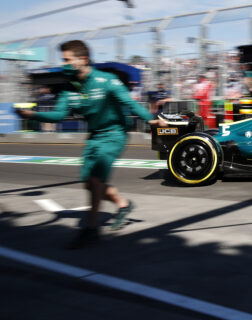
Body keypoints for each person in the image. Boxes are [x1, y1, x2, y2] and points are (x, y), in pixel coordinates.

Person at [15, 40, 167, 249]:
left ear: (83, 60)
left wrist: (150, 119)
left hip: (115, 134)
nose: (64, 64)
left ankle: (91, 230)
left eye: (67, 60)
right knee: (89, 182)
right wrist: (32, 114)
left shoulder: (106, 80)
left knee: (95, 179)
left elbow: (130, 103)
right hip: (94, 136)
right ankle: (124, 204)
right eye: (63, 60)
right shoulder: (69, 88)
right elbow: (59, 115)